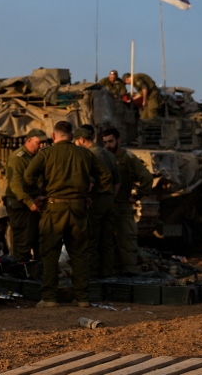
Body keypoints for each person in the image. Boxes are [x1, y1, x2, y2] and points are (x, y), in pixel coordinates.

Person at [24, 120, 109, 308]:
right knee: (79, 254)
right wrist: (90, 196)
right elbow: (105, 177)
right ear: (72, 136)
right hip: (78, 208)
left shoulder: (46, 154)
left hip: (54, 208)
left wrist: (37, 195)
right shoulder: (85, 154)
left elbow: (27, 177)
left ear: (54, 136)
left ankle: (49, 298)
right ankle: (82, 298)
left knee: (50, 253)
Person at [101, 127, 153, 275]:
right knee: (109, 243)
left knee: (127, 242)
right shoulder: (104, 157)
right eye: (105, 142)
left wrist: (137, 196)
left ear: (119, 140)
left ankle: (130, 273)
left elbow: (147, 178)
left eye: (111, 141)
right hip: (106, 207)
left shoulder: (128, 158)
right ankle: (114, 272)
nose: (108, 145)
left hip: (122, 206)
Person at [75, 125, 120, 278]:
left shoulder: (88, 155)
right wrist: (110, 198)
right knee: (107, 241)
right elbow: (117, 181)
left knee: (91, 239)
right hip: (108, 200)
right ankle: (106, 273)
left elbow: (88, 182)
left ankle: (92, 274)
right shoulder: (109, 154)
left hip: (95, 200)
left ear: (81, 140)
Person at [4, 129, 49, 261]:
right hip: (21, 205)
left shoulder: (36, 157)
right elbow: (15, 185)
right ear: (28, 141)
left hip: (32, 203)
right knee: (22, 242)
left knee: (36, 240)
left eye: (43, 143)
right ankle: (21, 274)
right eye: (38, 142)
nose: (41, 146)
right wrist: (30, 202)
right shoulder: (18, 158)